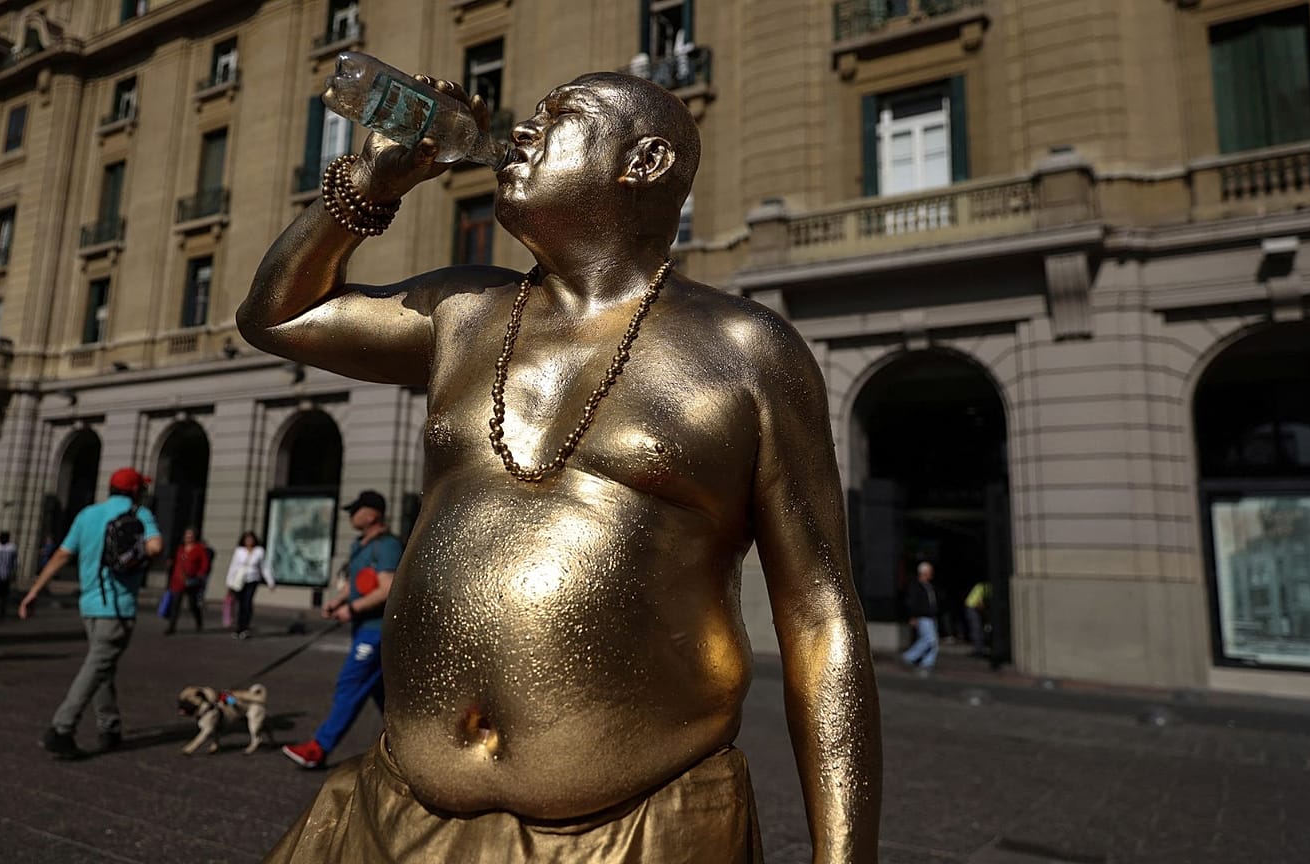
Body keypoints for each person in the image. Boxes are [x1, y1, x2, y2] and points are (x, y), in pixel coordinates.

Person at [242, 70, 879, 862]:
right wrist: (366, 187)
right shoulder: (463, 312)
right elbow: (278, 317)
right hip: (395, 806)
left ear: (645, 162)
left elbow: (819, 615)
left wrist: (843, 856)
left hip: (634, 826)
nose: (521, 132)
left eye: (559, 115)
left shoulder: (745, 350)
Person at [19, 467, 162, 760]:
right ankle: (62, 729)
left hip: (90, 607)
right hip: (118, 607)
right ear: (136, 491)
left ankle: (109, 726)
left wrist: (34, 590)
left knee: (102, 665)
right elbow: (155, 547)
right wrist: (137, 554)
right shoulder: (140, 514)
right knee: (97, 666)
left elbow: (62, 554)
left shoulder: (87, 514)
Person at [281, 490, 402, 769]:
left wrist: (353, 608)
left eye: (356, 510)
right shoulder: (360, 545)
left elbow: (387, 588)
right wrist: (338, 601)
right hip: (364, 628)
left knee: (350, 684)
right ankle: (409, 748)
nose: (351, 515)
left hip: (376, 630)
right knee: (384, 697)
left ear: (372, 514)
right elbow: (355, 582)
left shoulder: (387, 546)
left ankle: (319, 748)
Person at [225, 531, 273, 639]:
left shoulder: (259, 551)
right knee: (241, 604)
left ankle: (245, 628)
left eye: (251, 539)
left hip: (252, 579)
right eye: (247, 539)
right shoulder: (239, 551)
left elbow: (264, 567)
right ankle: (239, 627)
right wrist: (229, 582)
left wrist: (270, 581)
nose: (249, 541)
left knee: (247, 603)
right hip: (239, 580)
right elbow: (233, 566)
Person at [165, 528, 211, 634]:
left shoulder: (199, 548)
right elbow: (176, 562)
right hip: (178, 580)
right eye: (187, 535)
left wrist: (200, 574)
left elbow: (205, 563)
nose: (189, 538)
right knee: (175, 604)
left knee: (193, 604)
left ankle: (199, 623)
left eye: (191, 535)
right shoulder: (180, 548)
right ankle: (171, 626)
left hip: (192, 580)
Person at [902, 561, 940, 675]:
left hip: (931, 616)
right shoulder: (916, 586)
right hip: (922, 616)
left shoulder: (929, 586)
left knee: (933, 642)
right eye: (929, 571)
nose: (931, 574)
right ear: (923, 572)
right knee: (929, 639)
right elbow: (911, 602)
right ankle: (909, 656)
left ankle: (927, 663)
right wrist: (913, 616)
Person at [965, 580, 992, 656]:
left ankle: (980, 647)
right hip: (972, 607)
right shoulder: (983, 587)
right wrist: (986, 613)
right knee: (976, 628)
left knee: (979, 628)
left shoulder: (985, 586)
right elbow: (979, 604)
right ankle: (978, 649)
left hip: (976, 607)